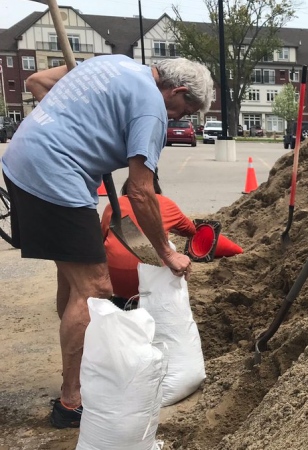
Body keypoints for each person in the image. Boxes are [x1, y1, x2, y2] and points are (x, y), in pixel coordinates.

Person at [0, 55, 214, 429]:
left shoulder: (113, 63)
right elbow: (142, 192)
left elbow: (36, 82)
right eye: (187, 109)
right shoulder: (152, 109)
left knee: (70, 276)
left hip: (22, 161)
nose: (183, 118)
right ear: (176, 91)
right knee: (96, 288)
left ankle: (78, 363)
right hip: (54, 177)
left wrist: (83, 125)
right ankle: (71, 402)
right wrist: (166, 252)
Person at [101, 173, 197, 308]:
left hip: (113, 280)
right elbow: (191, 230)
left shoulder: (115, 205)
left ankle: (124, 300)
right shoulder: (166, 203)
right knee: (169, 246)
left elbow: (101, 237)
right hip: (146, 281)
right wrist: (172, 227)